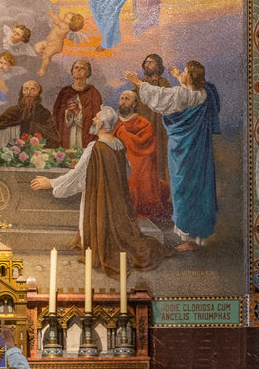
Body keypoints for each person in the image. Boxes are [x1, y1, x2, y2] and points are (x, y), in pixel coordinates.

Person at [31, 107, 174, 274]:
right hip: (118, 201)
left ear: (101, 125)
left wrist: (51, 183)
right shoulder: (119, 144)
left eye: (96, 117)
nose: (93, 120)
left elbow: (77, 175)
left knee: (106, 235)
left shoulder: (95, 147)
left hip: (101, 199)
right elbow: (127, 171)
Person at [123, 60, 221, 250]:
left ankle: (188, 238)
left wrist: (138, 82)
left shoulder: (182, 95)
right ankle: (196, 236)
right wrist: (178, 76)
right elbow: (188, 93)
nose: (181, 73)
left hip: (183, 151)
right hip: (198, 149)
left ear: (190, 77)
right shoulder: (203, 93)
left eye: (184, 71)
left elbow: (162, 96)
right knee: (196, 187)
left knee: (183, 188)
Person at [114, 88, 172, 223]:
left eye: (127, 99)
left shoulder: (143, 124)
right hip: (117, 160)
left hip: (137, 162)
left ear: (134, 104)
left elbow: (143, 146)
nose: (123, 101)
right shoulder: (114, 122)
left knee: (139, 168)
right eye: (121, 98)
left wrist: (124, 134)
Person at [136, 54, 173, 189]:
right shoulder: (140, 83)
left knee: (158, 158)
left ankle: (160, 191)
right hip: (142, 128)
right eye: (146, 62)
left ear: (158, 66)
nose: (147, 65)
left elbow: (169, 103)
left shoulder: (164, 83)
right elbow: (132, 100)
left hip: (159, 129)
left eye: (151, 62)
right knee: (143, 161)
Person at [0, 80, 59, 146]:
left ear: (38, 93)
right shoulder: (13, 110)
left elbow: (54, 138)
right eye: (26, 89)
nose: (28, 93)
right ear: (22, 92)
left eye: (33, 89)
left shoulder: (44, 113)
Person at [53, 59, 103, 150]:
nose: (79, 70)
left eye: (82, 68)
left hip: (85, 136)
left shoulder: (93, 92)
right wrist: (67, 113)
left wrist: (78, 113)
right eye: (76, 67)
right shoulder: (64, 92)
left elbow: (97, 117)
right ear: (72, 71)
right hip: (68, 134)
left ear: (88, 73)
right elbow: (57, 115)